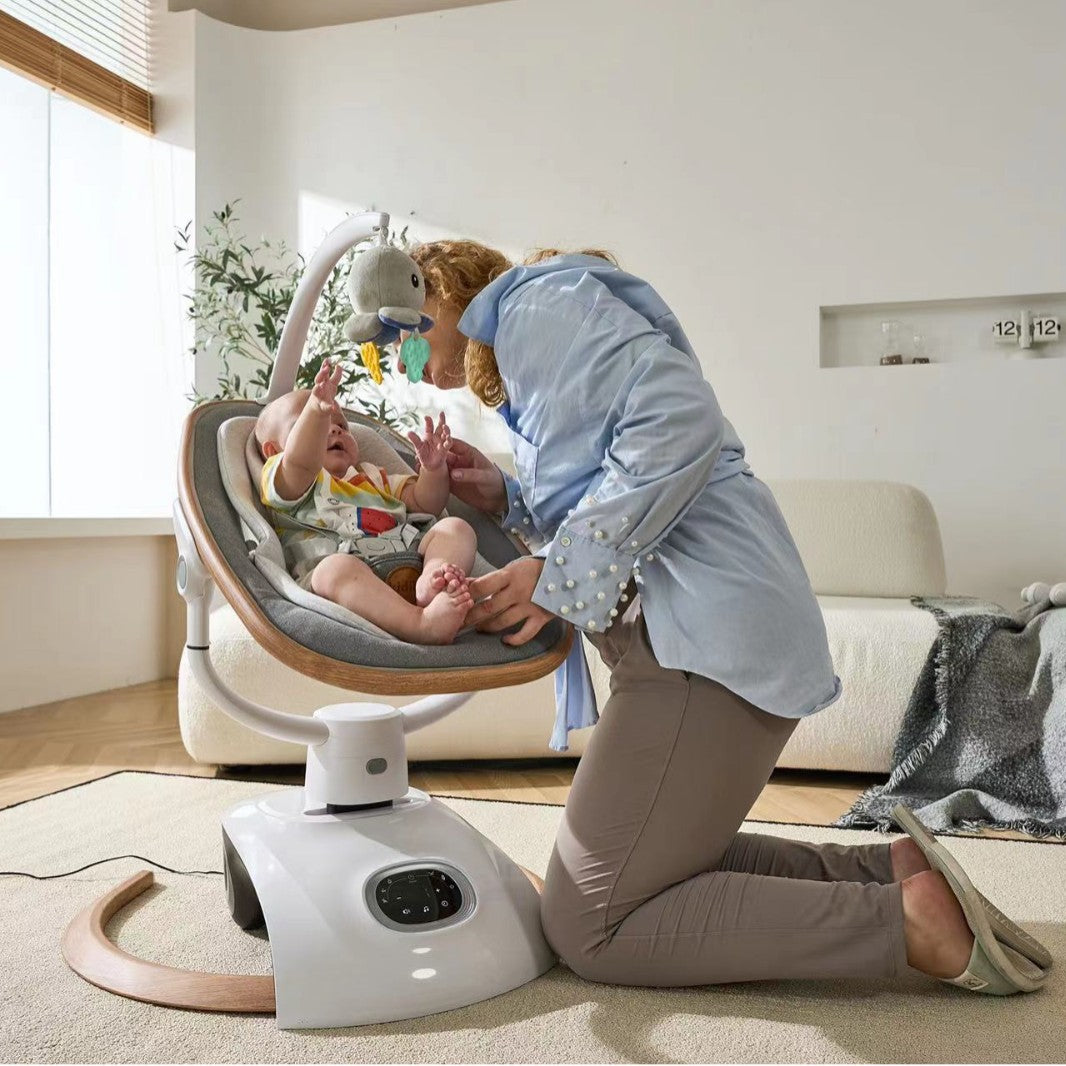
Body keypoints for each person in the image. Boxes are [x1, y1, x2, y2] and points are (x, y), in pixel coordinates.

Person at [395, 239, 985, 991]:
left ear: (439, 291)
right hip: (704, 637)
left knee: (590, 925)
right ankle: (887, 875)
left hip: (701, 646)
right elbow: (620, 480)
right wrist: (507, 500)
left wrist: (558, 568)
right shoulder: (540, 339)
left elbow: (679, 421)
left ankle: (900, 925)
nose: (409, 351)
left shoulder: (534, 308)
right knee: (655, 869)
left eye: (410, 326)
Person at [255, 359, 475, 644]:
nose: (333, 428)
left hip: (407, 565)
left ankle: (435, 580)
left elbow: (425, 504)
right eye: (311, 424)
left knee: (455, 528)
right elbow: (300, 460)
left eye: (341, 424)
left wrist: (434, 470)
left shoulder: (373, 476)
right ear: (274, 451)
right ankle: (421, 624)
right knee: (334, 571)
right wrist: (315, 412)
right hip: (345, 583)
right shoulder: (289, 481)